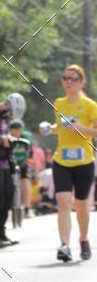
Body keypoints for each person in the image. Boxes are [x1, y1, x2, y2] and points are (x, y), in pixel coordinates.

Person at [39, 64, 97, 262]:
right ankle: (64, 245)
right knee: (63, 203)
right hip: (61, 160)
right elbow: (62, 127)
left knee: (82, 206)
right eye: (65, 78)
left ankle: (83, 238)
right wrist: (50, 128)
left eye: (73, 78)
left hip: (84, 161)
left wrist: (82, 128)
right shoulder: (59, 103)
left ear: (81, 82)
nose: (68, 82)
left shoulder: (90, 105)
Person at [0, 100, 18, 247]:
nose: (12, 116)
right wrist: (1, 139)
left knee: (8, 199)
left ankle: (1, 233)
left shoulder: (4, 121)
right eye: (11, 112)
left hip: (4, 164)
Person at [9, 119, 33, 217]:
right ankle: (11, 207)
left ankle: (27, 208)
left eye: (19, 129)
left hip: (23, 163)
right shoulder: (9, 138)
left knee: (26, 185)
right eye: (14, 129)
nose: (17, 132)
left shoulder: (25, 138)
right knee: (11, 186)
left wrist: (29, 162)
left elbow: (30, 152)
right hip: (12, 163)